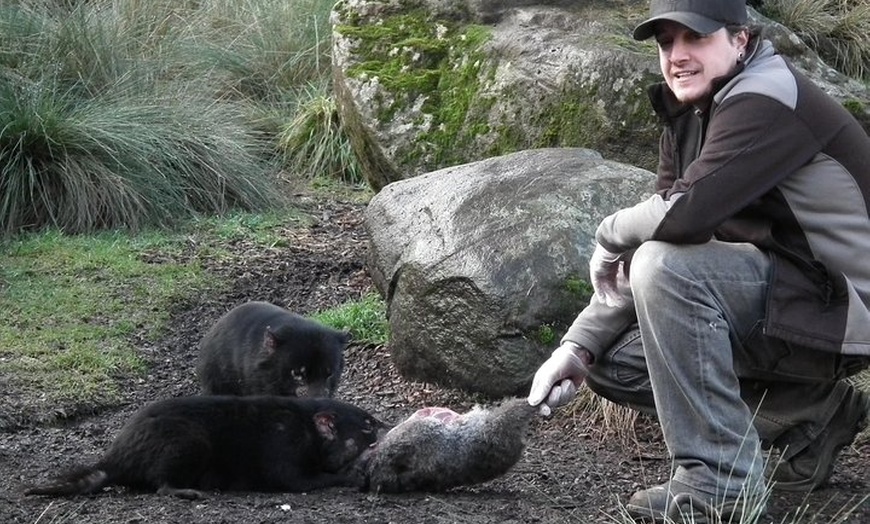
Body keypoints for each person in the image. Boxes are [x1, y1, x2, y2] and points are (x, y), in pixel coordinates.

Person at [527, 0, 870, 522]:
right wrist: (579, 346)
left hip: (847, 307)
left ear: (741, 39)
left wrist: (606, 235)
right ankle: (813, 414)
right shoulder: (695, 110)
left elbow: (678, 220)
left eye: (695, 38)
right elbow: (664, 229)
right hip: (795, 298)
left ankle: (721, 486)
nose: (678, 56)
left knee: (666, 269)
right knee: (617, 360)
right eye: (667, 43)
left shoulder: (766, 97)